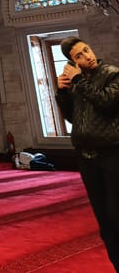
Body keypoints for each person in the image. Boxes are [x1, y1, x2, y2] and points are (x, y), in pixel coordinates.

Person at [55, 36, 119, 271]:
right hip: (87, 158)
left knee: (116, 215)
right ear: (72, 62)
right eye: (78, 56)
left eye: (87, 50)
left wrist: (79, 80)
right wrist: (63, 93)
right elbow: (75, 118)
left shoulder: (112, 74)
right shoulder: (78, 83)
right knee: (104, 220)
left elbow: (106, 102)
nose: (87, 56)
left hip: (113, 154)